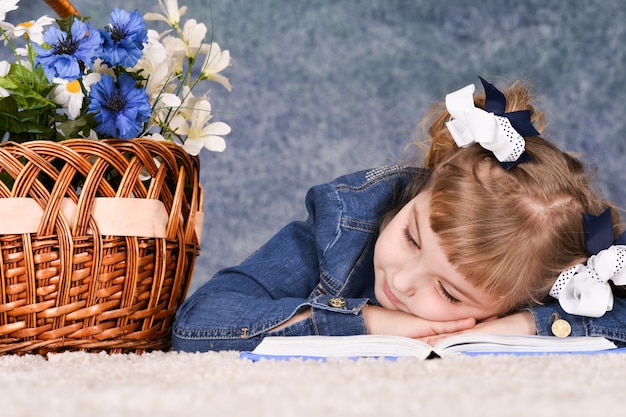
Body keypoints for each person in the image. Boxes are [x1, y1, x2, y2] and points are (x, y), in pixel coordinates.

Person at [172, 77, 626, 352]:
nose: (403, 280)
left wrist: (525, 326)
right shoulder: (344, 225)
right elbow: (200, 322)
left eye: (449, 293)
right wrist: (366, 321)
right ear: (425, 189)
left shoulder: (538, 276)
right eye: (412, 237)